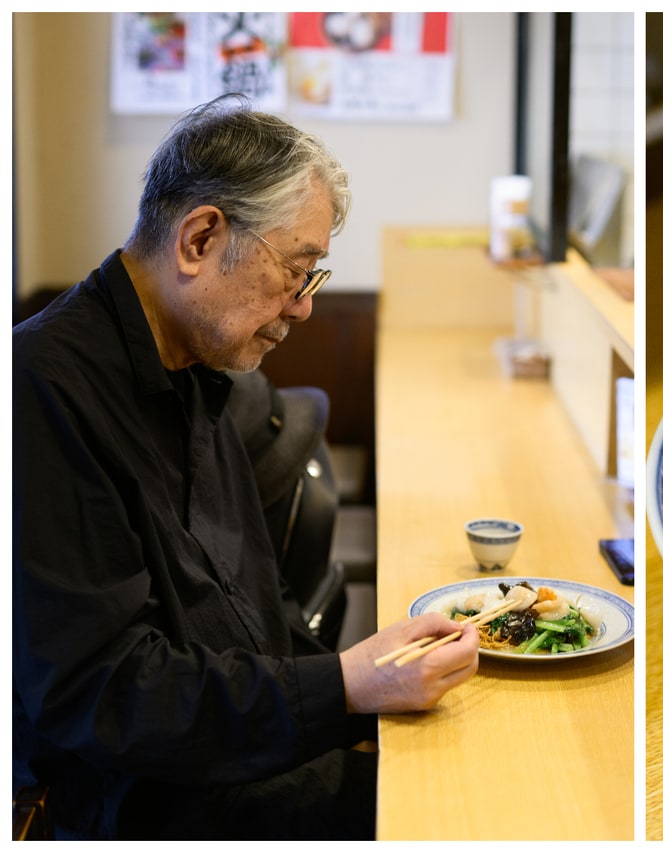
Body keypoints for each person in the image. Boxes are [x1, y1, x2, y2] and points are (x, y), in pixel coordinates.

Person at [12, 94, 479, 840]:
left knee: (466, 755)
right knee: (460, 815)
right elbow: (103, 693)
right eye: (297, 271)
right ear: (200, 238)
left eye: (313, 278)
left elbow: (254, 600)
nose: (302, 309)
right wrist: (345, 688)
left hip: (245, 742)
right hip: (147, 799)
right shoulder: (41, 388)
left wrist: (358, 684)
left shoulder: (199, 361)